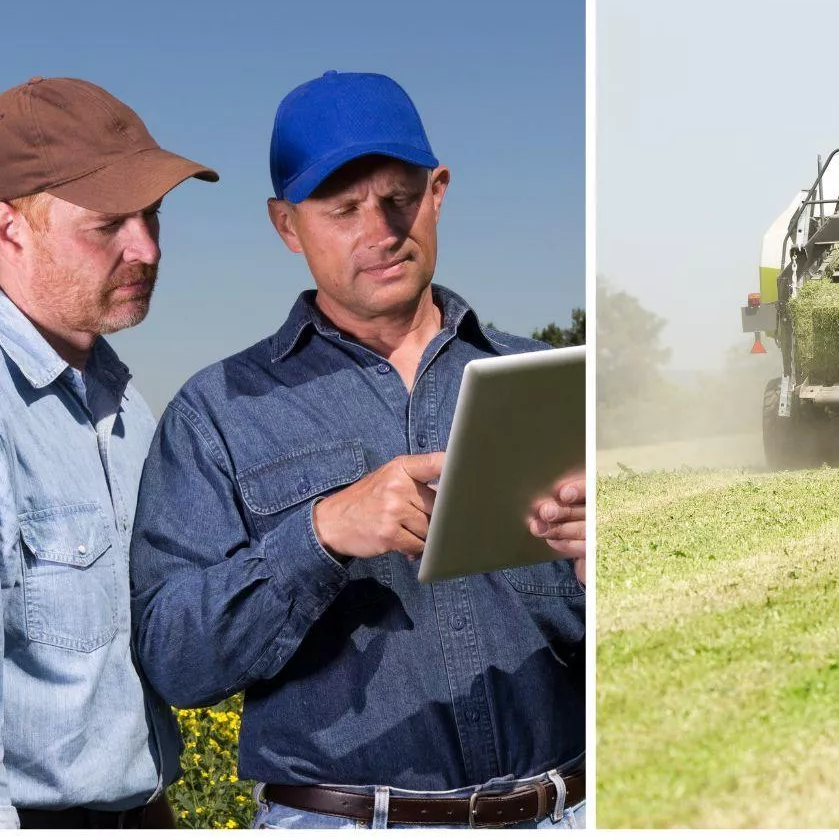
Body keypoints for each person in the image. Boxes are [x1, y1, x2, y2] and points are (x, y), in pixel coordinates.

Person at [129, 71, 586, 830]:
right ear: (286, 225)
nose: (381, 230)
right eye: (343, 209)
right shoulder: (216, 413)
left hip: (567, 810)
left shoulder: (541, 381)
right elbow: (175, 657)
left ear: (438, 191)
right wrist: (321, 534)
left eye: (399, 198)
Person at [0, 76, 218, 828]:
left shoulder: (123, 403)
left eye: (152, 216)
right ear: (9, 228)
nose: (147, 248)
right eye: (108, 226)